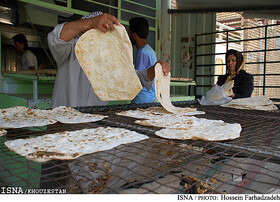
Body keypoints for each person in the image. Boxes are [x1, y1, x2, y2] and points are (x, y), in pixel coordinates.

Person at [47, 12, 171, 108]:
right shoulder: (70, 51)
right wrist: (91, 22)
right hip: (63, 124)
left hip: (92, 128)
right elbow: (55, 38)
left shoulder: (109, 60)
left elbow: (133, 78)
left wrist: (155, 69)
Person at [128, 17, 157, 104]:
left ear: (134, 35)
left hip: (142, 99)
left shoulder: (142, 52)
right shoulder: (150, 50)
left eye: (129, 32)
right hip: (151, 97)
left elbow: (139, 79)